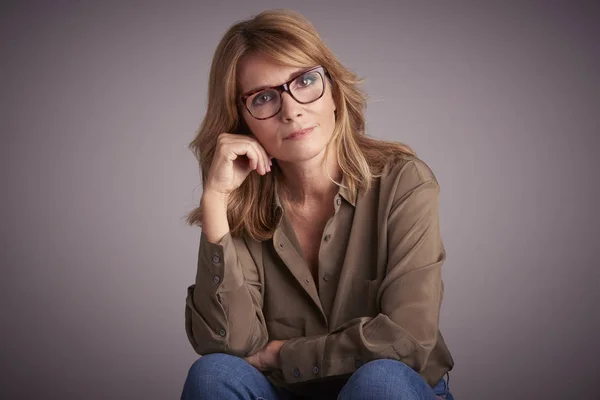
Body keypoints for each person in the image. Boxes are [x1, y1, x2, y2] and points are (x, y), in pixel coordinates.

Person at [181, 9, 454, 400]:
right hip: (285, 395)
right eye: (263, 97)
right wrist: (215, 202)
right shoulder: (240, 203)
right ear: (241, 122)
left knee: (379, 383)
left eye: (305, 81)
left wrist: (283, 354)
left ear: (335, 90)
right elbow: (231, 347)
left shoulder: (403, 182)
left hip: (389, 393)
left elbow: (407, 341)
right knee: (213, 374)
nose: (291, 110)